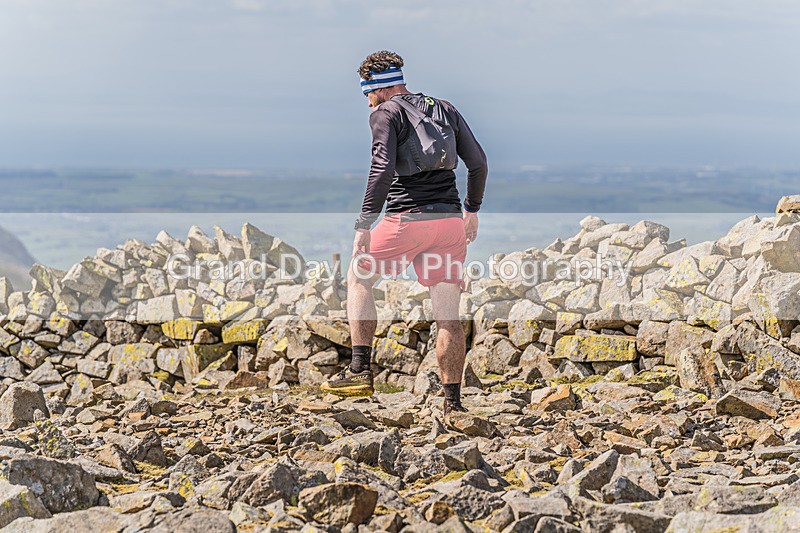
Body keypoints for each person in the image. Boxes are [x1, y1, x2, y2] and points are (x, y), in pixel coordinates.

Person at [321, 50, 488, 425]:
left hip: (404, 221)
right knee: (448, 316)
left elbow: (381, 168)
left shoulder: (384, 113)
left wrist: (364, 223)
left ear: (377, 87)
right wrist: (471, 210)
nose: (366, 101)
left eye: (367, 93)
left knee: (359, 277)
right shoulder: (444, 108)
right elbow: (478, 163)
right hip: (449, 224)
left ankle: (360, 371)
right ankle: (454, 405)